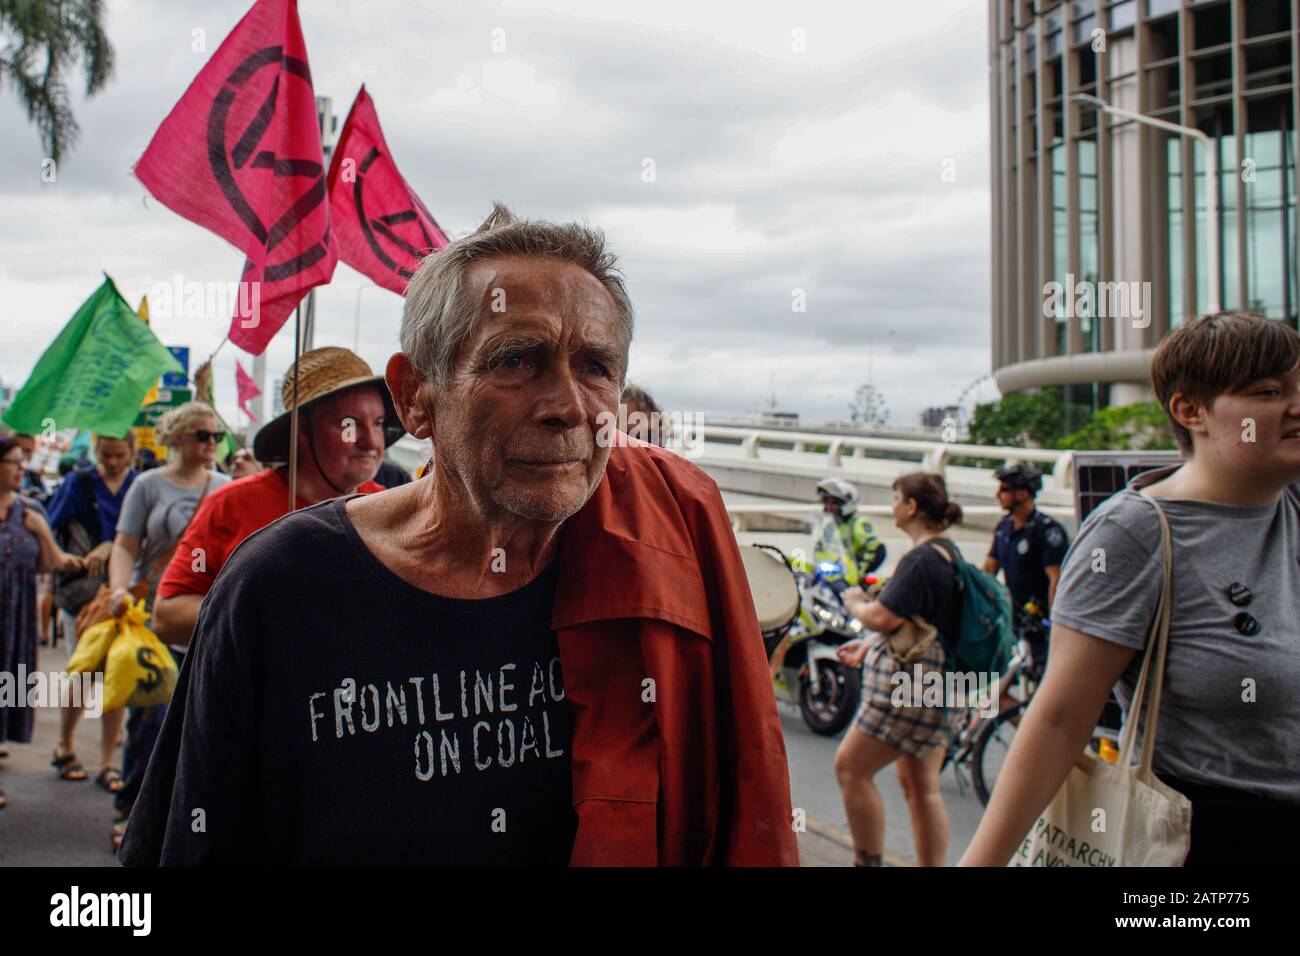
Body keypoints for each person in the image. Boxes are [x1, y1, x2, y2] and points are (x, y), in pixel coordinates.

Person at [121, 203, 797, 866]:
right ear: (416, 394)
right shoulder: (280, 584)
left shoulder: (661, 559)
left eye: (595, 367)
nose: (569, 406)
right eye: (516, 361)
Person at [961, 312, 1300, 868]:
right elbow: (1060, 719)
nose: (1295, 404)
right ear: (1190, 411)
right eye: (1268, 392)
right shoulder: (1136, 535)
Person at [148, 348, 394, 648]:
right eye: (349, 425)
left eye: (379, 423)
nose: (370, 441)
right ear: (303, 430)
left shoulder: (391, 508)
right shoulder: (231, 504)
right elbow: (166, 617)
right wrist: (270, 611)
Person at [103, 402, 231, 845]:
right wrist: (119, 590)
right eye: (202, 436)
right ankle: (134, 812)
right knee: (150, 720)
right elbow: (125, 544)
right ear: (175, 439)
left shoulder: (227, 488)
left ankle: (185, 819)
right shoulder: (148, 485)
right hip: (151, 620)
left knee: (200, 726)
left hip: (204, 622)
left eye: (216, 436)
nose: (212, 444)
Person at [830, 472, 966, 866]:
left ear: (911, 507)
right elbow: (921, 626)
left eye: (896, 499)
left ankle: (867, 861)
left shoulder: (920, 559)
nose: (892, 507)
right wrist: (871, 645)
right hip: (942, 686)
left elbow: (880, 615)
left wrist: (853, 600)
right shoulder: (949, 553)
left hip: (911, 688)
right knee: (921, 786)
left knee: (851, 768)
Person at [45, 432, 137, 788]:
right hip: (82, 592)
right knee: (81, 670)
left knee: (118, 673)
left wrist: (112, 545)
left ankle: (106, 762)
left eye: (118, 455)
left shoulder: (138, 485)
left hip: (123, 592)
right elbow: (52, 526)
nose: (112, 462)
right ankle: (64, 745)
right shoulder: (78, 483)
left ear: (130, 452)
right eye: (105, 455)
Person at [0, 438, 82, 809]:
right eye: (13, 463)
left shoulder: (30, 508)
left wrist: (44, 533)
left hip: (16, 615)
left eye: (22, 463)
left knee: (9, 687)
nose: (20, 469)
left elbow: (50, 564)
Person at [769, 477, 885, 681]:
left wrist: (861, 572)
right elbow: (816, 548)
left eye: (834, 502)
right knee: (793, 619)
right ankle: (774, 671)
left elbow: (874, 548)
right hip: (825, 579)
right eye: (827, 502)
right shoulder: (827, 525)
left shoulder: (859, 524)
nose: (829, 507)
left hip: (846, 583)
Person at [981, 463, 1068, 672]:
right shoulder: (1004, 528)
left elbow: (1056, 578)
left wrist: (1055, 625)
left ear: (1022, 494)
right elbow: (988, 570)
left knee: (1040, 673)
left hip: (1040, 621)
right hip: (1013, 619)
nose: (998, 495)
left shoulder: (1047, 530)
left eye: (1004, 490)